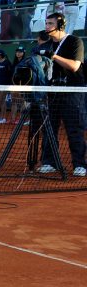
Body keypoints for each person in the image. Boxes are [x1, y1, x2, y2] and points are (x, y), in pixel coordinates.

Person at [39, 13, 86, 176]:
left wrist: (53, 56)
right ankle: (48, 162)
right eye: (45, 23)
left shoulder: (75, 42)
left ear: (60, 25)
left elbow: (74, 66)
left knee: (74, 129)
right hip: (52, 92)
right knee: (49, 128)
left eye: (50, 23)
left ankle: (80, 165)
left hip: (72, 91)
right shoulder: (45, 45)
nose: (46, 26)